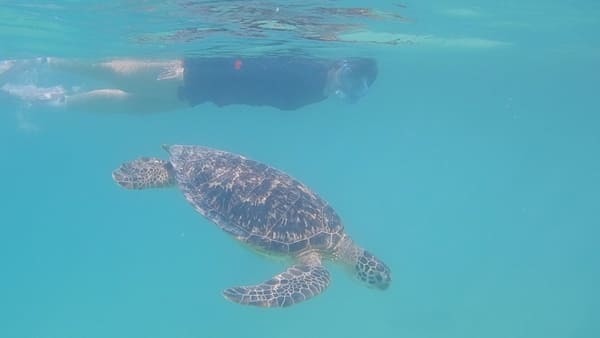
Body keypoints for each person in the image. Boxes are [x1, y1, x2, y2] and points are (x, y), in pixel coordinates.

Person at [0, 55, 377, 113]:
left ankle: (47, 99)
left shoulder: (317, 94)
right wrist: (188, 65)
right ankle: (30, 64)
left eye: (354, 90)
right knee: (106, 72)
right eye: (349, 79)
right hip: (192, 75)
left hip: (199, 96)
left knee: (125, 106)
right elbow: (247, 61)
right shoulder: (306, 68)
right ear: (341, 66)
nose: (345, 89)